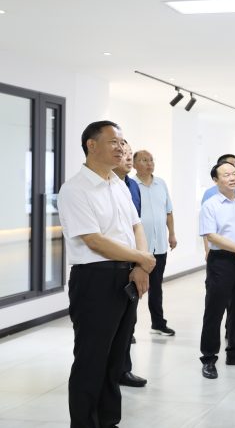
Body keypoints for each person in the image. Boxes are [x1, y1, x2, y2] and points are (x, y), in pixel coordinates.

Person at [57, 121, 156, 428]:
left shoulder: (118, 184)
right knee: (91, 360)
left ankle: (109, 420)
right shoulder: (75, 189)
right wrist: (142, 258)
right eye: (114, 142)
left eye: (123, 142)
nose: (121, 148)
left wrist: (140, 266)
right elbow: (94, 241)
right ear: (91, 145)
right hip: (95, 279)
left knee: (115, 359)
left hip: (127, 276)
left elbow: (136, 226)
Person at [199, 161, 235, 379]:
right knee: (214, 310)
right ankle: (208, 358)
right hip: (221, 261)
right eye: (226, 175)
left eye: (234, 173)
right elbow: (211, 236)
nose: (232, 178)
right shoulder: (210, 205)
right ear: (216, 180)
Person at [112, 141, 147, 388]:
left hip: (133, 260)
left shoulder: (132, 186)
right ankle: (112, 373)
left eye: (129, 153)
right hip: (110, 264)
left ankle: (123, 369)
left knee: (128, 322)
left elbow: (137, 225)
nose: (127, 157)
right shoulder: (104, 185)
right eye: (123, 153)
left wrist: (141, 261)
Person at [133, 150, 177, 336]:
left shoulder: (161, 184)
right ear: (134, 164)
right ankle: (128, 331)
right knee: (133, 288)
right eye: (144, 160)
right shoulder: (130, 185)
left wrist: (172, 234)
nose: (149, 163)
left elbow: (168, 212)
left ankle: (158, 324)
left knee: (156, 287)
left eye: (151, 160)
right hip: (137, 249)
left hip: (159, 246)